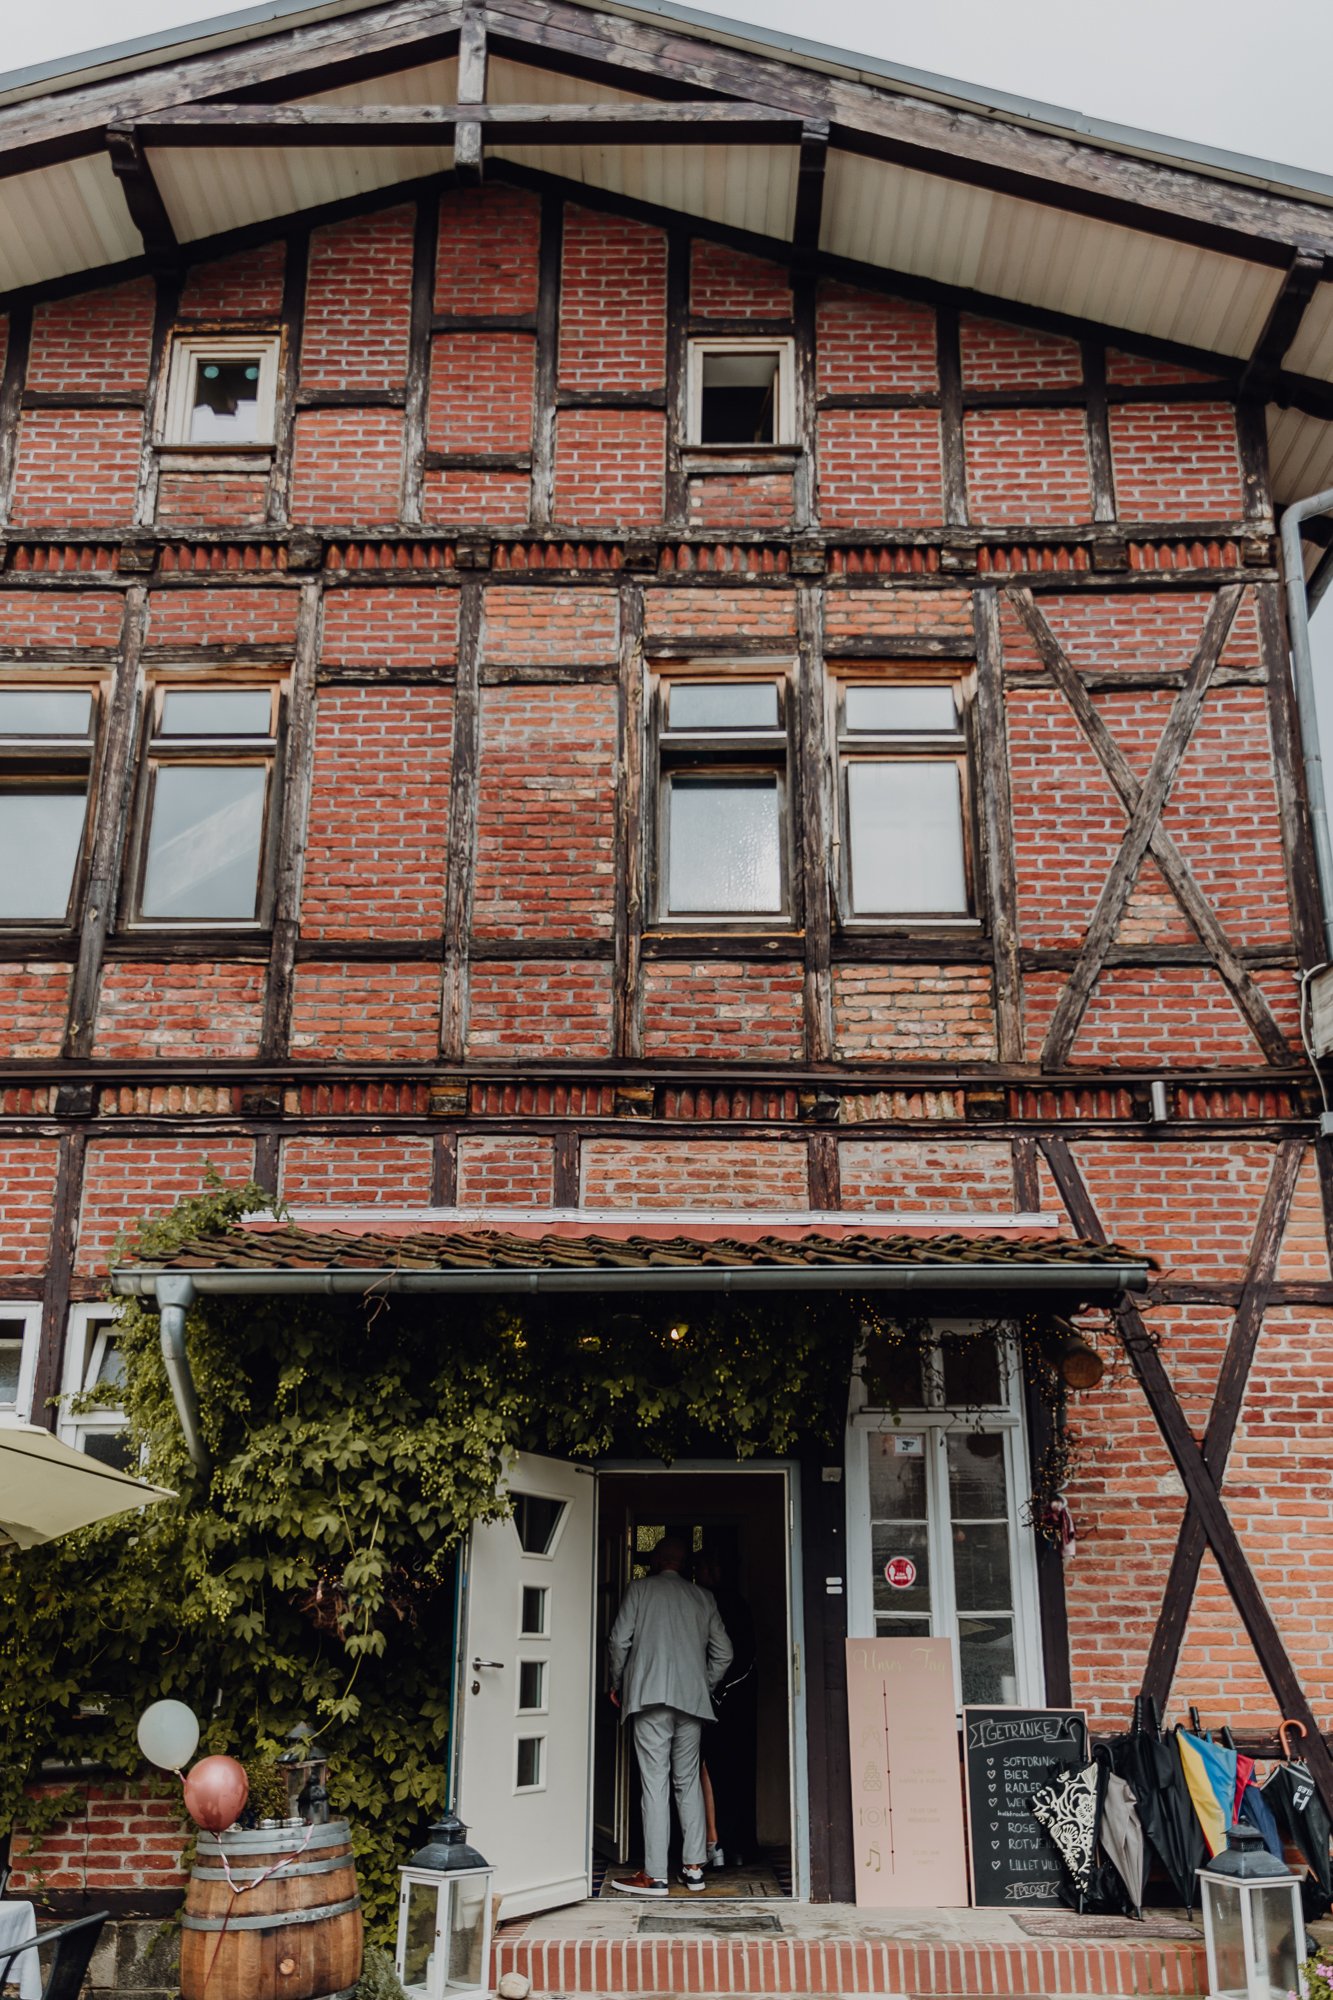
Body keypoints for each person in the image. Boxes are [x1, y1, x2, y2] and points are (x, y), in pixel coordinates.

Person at [607, 1534, 733, 1897]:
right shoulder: (703, 1597)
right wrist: (701, 1684)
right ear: (684, 1564)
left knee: (655, 1784)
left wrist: (618, 1682)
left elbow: (618, 1641)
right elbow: (724, 1653)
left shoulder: (640, 1590)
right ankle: (694, 1869)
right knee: (687, 1781)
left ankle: (656, 1875)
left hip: (648, 1699)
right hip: (691, 1702)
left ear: (657, 1559)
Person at [693, 1547, 758, 1870]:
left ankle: (724, 1843)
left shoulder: (721, 1604)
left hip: (726, 1701)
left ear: (713, 1570)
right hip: (728, 1700)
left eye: (702, 1569)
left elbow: (737, 1657)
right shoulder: (723, 1603)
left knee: (719, 1774)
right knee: (724, 1774)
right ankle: (727, 1845)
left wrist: (714, 1693)